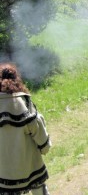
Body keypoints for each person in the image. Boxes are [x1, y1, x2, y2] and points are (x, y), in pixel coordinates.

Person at [0, 62, 51, 194]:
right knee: (38, 188)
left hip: (3, 171)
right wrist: (45, 147)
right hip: (28, 165)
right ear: (16, 80)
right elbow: (37, 130)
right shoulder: (23, 103)